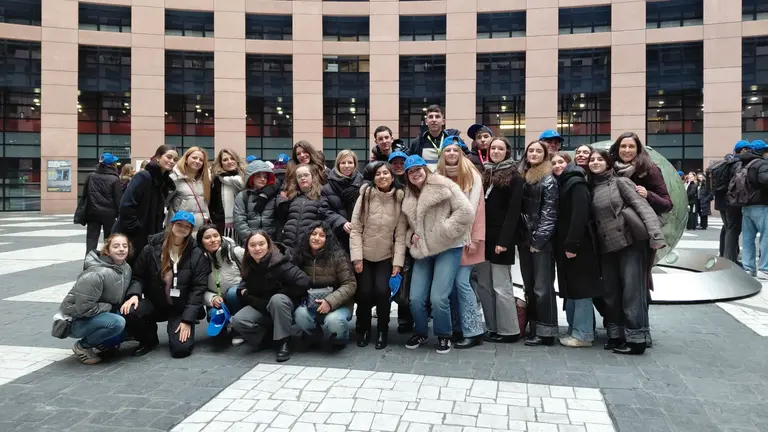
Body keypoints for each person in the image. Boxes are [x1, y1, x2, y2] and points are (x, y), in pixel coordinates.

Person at [588, 149, 665, 355]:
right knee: (611, 293)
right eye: (592, 160)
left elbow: (643, 208)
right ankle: (616, 335)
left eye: (599, 159)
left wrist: (656, 236)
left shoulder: (621, 182)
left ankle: (637, 339)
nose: (595, 162)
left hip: (630, 243)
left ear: (608, 163)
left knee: (632, 292)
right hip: (606, 247)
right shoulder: (591, 187)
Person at [401, 155, 474, 354]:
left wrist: (443, 231)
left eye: (418, 169)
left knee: (439, 297)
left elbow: (466, 212)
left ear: (425, 169)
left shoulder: (444, 185)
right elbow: (408, 226)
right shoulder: (408, 195)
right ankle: (421, 331)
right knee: (415, 298)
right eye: (410, 171)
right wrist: (411, 236)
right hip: (424, 250)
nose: (415, 174)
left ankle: (444, 334)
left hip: (448, 247)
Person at [121, 211, 210, 358]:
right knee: (130, 309)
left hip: (180, 307)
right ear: (171, 224)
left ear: (191, 230)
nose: (182, 228)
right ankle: (149, 339)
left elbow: (198, 288)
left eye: (187, 226)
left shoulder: (196, 253)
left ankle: (179, 327)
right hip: (156, 302)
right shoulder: (151, 248)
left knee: (181, 350)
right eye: (179, 224)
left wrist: (187, 319)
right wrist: (134, 295)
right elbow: (138, 276)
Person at [435, 136, 486, 349]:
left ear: (461, 153)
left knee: (462, 283)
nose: (451, 154)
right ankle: (458, 328)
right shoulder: (437, 177)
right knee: (451, 287)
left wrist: (475, 239)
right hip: (446, 241)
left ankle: (474, 331)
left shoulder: (472, 176)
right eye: (447, 151)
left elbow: (478, 211)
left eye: (455, 150)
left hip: (467, 239)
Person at [349, 162, 407, 349]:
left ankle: (382, 330)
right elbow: (356, 228)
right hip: (364, 254)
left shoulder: (400, 198)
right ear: (373, 178)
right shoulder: (365, 195)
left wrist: (397, 262)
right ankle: (363, 329)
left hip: (385, 256)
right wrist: (357, 257)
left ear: (392, 176)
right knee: (364, 293)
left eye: (386, 173)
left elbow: (400, 234)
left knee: (383, 292)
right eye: (378, 174)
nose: (382, 176)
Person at [231, 231, 310, 362]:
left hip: (284, 304)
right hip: (262, 305)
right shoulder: (249, 263)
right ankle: (268, 339)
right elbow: (243, 284)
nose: (257, 248)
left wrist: (282, 292)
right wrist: (243, 291)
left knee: (277, 300)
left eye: (261, 244)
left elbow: (303, 281)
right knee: (238, 320)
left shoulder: (280, 262)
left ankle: (283, 343)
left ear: (268, 245)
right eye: (253, 245)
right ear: (247, 249)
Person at [550, 152, 602, 348]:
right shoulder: (566, 182)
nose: (556, 165)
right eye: (553, 163)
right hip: (569, 246)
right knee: (573, 288)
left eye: (560, 162)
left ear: (568, 163)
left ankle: (583, 334)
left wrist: (572, 244)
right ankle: (577, 329)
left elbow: (579, 216)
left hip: (578, 247)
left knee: (581, 290)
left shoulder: (576, 183)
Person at [477, 136, 524, 343]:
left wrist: (504, 241)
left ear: (507, 152)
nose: (496, 151)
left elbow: (513, 212)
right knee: (485, 286)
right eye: (493, 148)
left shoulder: (515, 177)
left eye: (500, 148)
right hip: (483, 238)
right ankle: (492, 327)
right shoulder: (485, 173)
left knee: (501, 286)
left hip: (500, 240)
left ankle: (509, 330)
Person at [59, 234, 131, 364]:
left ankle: (104, 343)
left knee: (130, 316)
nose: (121, 249)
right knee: (118, 322)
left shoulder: (126, 269)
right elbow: (83, 308)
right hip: (76, 321)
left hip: (100, 314)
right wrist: (110, 307)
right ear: (107, 251)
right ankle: (82, 346)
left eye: (124, 246)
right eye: (116, 246)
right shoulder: (96, 274)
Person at [518, 140, 559, 346]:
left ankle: (547, 331)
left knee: (542, 288)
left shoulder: (548, 180)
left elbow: (549, 214)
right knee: (530, 286)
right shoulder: (525, 176)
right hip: (525, 241)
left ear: (545, 155)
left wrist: (539, 241)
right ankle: (535, 328)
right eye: (530, 150)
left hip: (540, 243)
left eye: (538, 151)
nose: (533, 153)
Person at [293, 222, 357, 349]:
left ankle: (340, 338)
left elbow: (350, 284)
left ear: (327, 239)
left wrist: (329, 302)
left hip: (339, 303)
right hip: (311, 303)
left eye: (322, 235)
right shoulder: (300, 255)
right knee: (300, 314)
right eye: (313, 234)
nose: (317, 238)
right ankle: (314, 336)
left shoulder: (338, 256)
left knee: (334, 321)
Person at [113, 145, 178, 262]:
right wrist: (136, 228)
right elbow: (126, 204)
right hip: (133, 235)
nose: (172, 161)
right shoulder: (144, 176)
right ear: (158, 157)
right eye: (168, 157)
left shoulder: (163, 181)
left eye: (175, 159)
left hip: (148, 235)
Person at [197, 224, 245, 346]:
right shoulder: (198, 260)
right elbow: (198, 288)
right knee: (213, 315)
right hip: (217, 302)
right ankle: (223, 329)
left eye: (215, 236)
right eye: (207, 237)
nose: (213, 240)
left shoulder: (235, 252)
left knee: (233, 293)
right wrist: (211, 298)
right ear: (201, 241)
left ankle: (238, 328)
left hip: (237, 298)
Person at [78, 153, 123, 255]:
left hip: (92, 212)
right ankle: (108, 260)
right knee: (109, 240)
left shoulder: (91, 176)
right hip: (109, 214)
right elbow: (118, 200)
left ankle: (88, 263)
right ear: (112, 164)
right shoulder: (114, 179)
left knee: (91, 240)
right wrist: (120, 215)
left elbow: (85, 195)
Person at [713, 140, 751, 262]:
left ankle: (724, 254)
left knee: (727, 228)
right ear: (744, 150)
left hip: (721, 201)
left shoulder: (726, 162)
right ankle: (730, 259)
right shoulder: (737, 164)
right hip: (731, 202)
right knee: (733, 229)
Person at [736, 140, 768, 279]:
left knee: (748, 239)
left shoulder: (744, 164)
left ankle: (748, 268)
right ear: (762, 152)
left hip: (746, 206)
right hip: (762, 205)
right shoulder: (762, 164)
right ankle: (764, 268)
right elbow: (764, 180)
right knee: (766, 238)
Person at [320, 150, 363, 250]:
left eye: (350, 162)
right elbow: (324, 210)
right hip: (337, 237)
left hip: (360, 237)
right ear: (338, 165)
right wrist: (341, 222)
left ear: (355, 164)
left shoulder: (363, 184)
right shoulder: (327, 188)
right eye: (343, 163)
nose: (347, 166)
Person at [233, 160, 282, 243]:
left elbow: (277, 221)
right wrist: (251, 241)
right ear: (251, 177)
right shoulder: (243, 196)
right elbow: (239, 221)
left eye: (265, 177)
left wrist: (274, 241)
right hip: (250, 243)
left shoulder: (273, 195)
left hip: (271, 242)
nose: (262, 179)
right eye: (258, 176)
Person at [278, 164, 324, 249]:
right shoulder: (290, 196)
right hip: (288, 245)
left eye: (306, 175)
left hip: (309, 247)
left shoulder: (321, 195)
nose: (302, 178)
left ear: (313, 177)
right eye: (299, 176)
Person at [168, 146, 211, 234]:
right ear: (186, 159)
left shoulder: (206, 180)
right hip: (180, 228)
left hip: (201, 229)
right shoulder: (174, 178)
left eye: (201, 160)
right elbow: (165, 202)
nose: (197, 161)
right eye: (194, 158)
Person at [407, 105, 460, 169]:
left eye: (437, 117)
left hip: (447, 178)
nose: (434, 120)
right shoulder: (417, 142)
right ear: (426, 122)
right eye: (431, 117)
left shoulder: (453, 140)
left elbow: (466, 158)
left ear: (443, 121)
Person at [210, 149, 246, 240]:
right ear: (221, 163)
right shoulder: (216, 180)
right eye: (225, 160)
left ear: (237, 160)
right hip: (222, 224)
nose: (229, 162)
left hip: (245, 222)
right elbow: (212, 203)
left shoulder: (246, 177)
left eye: (232, 158)